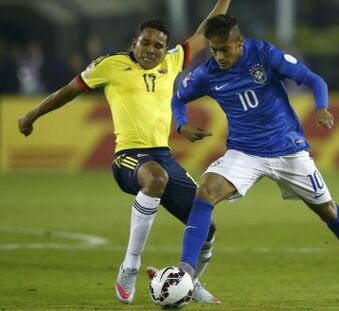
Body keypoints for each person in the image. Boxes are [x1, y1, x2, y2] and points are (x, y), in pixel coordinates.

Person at [17, 0, 231, 305]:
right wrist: (31, 116)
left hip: (163, 157)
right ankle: (130, 266)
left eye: (159, 45)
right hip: (129, 157)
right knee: (155, 180)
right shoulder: (111, 65)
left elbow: (204, 31)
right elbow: (69, 90)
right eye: (147, 43)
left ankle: (189, 283)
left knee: (207, 227)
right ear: (135, 43)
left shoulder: (172, 62)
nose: (152, 50)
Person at [171, 14, 339, 290]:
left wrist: (322, 107)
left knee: (327, 210)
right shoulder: (207, 74)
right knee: (205, 191)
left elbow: (314, 80)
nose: (219, 56)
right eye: (214, 49)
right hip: (244, 153)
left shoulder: (264, 54)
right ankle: (185, 268)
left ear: (239, 42)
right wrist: (182, 125)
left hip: (288, 149)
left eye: (224, 49)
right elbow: (178, 98)